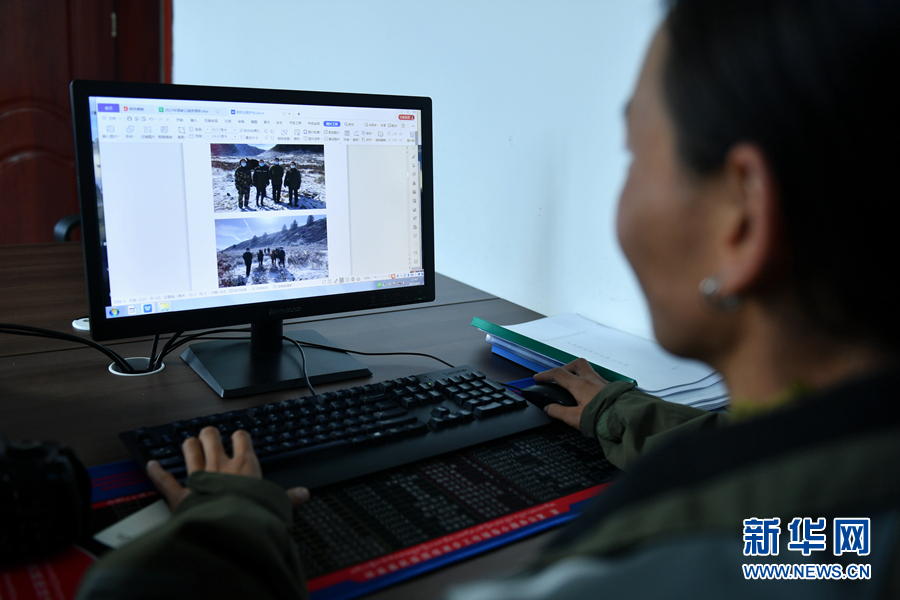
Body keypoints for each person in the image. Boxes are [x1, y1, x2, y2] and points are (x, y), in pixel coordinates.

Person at [77, 1, 900, 598]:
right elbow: (803, 535)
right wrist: (628, 415)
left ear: (741, 216)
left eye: (633, 153)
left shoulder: (641, 574)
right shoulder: (844, 528)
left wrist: (226, 530)